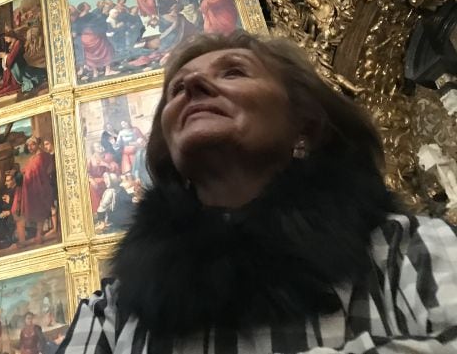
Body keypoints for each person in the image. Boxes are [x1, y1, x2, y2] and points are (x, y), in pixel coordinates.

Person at [58, 31, 457, 353]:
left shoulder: (403, 247)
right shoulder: (111, 309)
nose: (192, 84)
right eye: (177, 88)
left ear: (304, 126)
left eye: (233, 72)